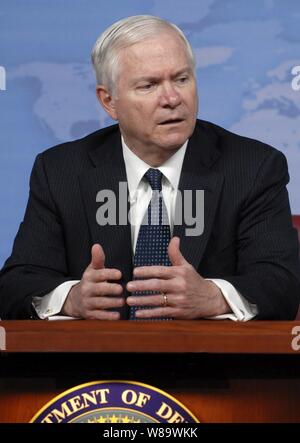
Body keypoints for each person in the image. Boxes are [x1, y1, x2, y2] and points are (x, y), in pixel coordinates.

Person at [0, 15, 299, 321]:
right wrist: (70, 299)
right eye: (149, 85)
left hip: (209, 363)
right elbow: (16, 286)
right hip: (94, 363)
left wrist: (214, 297)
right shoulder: (61, 171)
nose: (172, 98)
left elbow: (282, 284)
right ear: (109, 101)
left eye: (182, 79)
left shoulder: (253, 167)